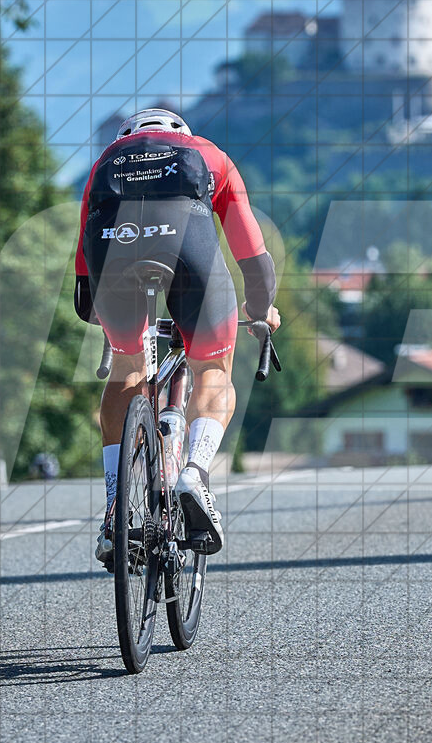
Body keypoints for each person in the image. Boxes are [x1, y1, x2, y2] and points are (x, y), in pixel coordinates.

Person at [73, 108, 280, 565]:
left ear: (129, 137)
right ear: (180, 135)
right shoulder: (210, 156)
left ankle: (114, 507)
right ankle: (196, 473)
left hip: (114, 255)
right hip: (189, 254)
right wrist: (261, 311)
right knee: (213, 370)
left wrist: (116, 333)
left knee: (128, 368)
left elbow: (83, 282)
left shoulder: (104, 163)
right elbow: (254, 259)